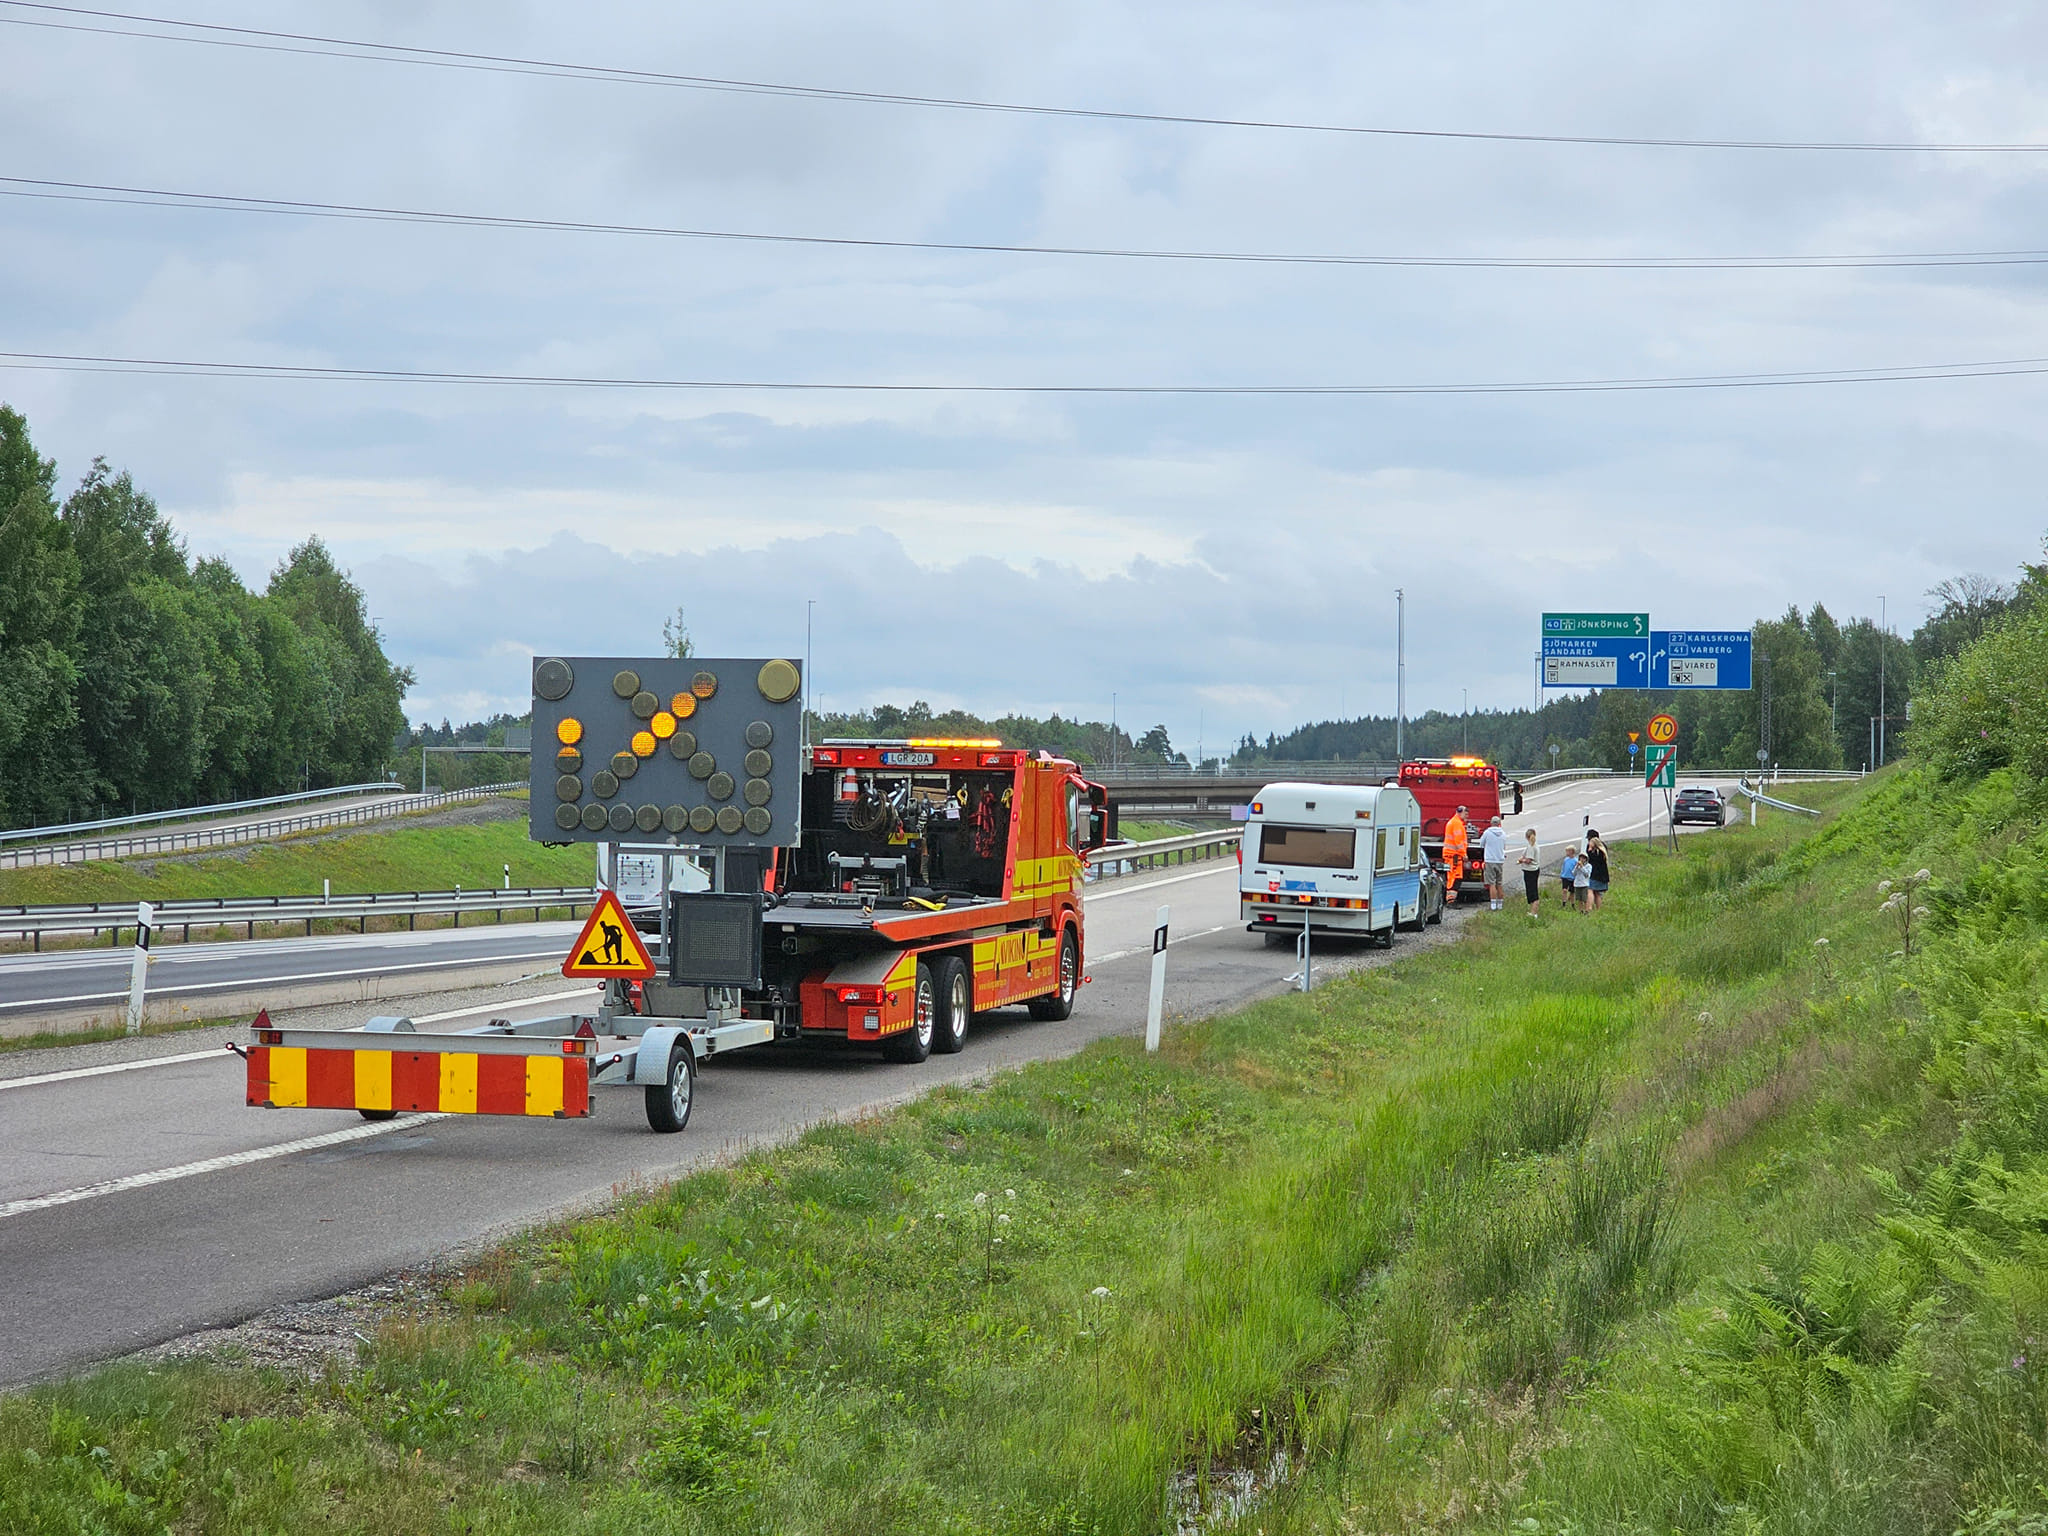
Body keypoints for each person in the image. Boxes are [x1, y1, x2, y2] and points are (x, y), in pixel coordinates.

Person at [1480, 815, 1507, 910]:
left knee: (1491, 883)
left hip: (1490, 860)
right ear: (1499, 824)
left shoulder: (1487, 833)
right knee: (1499, 883)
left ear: (1491, 823)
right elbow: (1504, 847)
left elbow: (1481, 844)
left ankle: (1493, 904)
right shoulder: (1503, 834)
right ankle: (1500, 904)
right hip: (1499, 860)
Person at [1443, 806, 1469, 905]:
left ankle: (1451, 899)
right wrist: (1464, 854)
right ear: (1460, 812)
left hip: (1452, 855)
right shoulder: (1457, 824)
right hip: (1454, 856)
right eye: (1465, 814)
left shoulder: (1454, 822)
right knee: (1455, 877)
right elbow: (1458, 842)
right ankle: (1451, 900)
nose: (1467, 816)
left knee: (1453, 877)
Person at [1517, 826, 1541, 914]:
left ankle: (1534, 912)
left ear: (1526, 837)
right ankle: (1532, 911)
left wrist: (1521, 860)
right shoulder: (1535, 845)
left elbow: (1529, 860)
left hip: (1530, 871)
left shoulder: (1531, 846)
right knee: (1532, 890)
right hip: (1534, 870)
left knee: (1532, 891)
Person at [1585, 830, 1611, 910]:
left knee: (1590, 890)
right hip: (1603, 874)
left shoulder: (1593, 850)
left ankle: (1588, 908)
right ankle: (1598, 909)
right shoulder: (1602, 847)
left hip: (1594, 874)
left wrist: (1589, 849)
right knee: (1597, 893)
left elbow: (1590, 858)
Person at [1574, 838, 1595, 911]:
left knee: (1584, 898)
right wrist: (1577, 867)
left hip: (1584, 884)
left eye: (1583, 858)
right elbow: (1574, 873)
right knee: (1579, 899)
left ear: (1586, 859)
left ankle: (1586, 909)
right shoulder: (1577, 865)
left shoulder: (1588, 866)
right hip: (1577, 883)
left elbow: (1587, 874)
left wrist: (1582, 867)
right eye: (1580, 858)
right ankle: (1581, 910)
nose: (1581, 859)